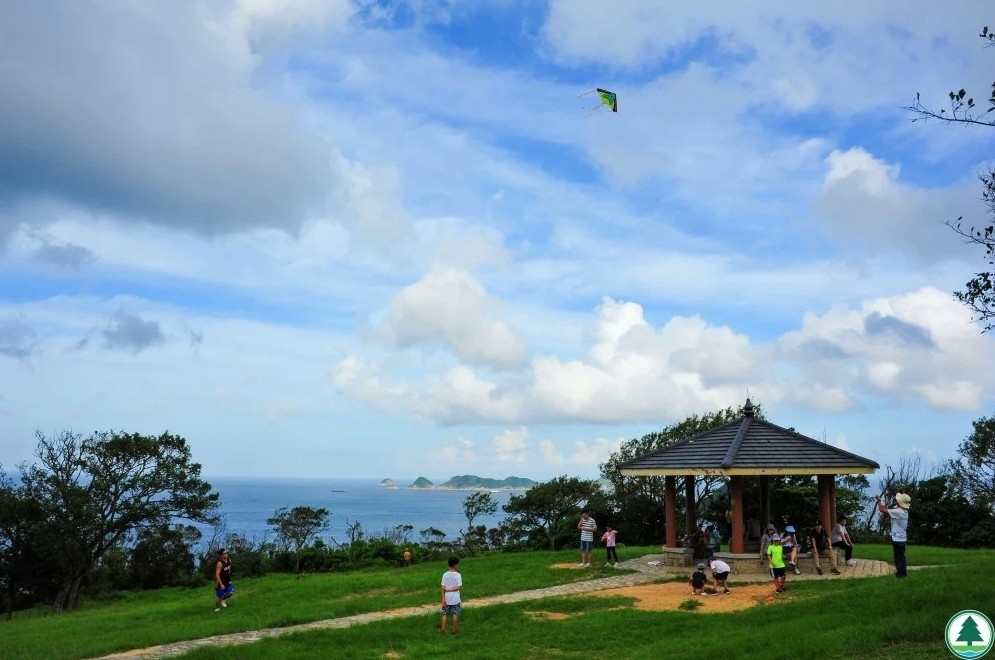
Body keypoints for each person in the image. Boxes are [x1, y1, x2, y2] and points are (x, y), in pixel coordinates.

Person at [877, 492, 911, 579]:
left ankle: (902, 575)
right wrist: (885, 509)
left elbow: (882, 510)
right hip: (900, 539)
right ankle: (900, 574)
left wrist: (879, 500)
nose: (896, 501)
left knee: (900, 559)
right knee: (899, 558)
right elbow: (887, 511)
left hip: (898, 540)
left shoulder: (899, 512)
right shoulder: (903, 511)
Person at [439, 556, 462, 634]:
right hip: (455, 598)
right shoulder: (458, 575)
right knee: (455, 613)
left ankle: (443, 629)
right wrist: (451, 589)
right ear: (455, 565)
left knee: (444, 613)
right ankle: (454, 630)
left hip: (446, 597)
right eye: (458, 564)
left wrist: (443, 598)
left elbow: (442, 587)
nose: (458, 566)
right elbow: (459, 587)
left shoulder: (445, 574)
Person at [214, 548, 233, 612]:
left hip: (228, 581)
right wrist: (220, 584)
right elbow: (217, 574)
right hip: (220, 582)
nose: (227, 554)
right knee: (220, 596)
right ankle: (217, 608)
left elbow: (228, 570)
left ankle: (223, 600)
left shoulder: (229, 560)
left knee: (230, 593)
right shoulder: (219, 563)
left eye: (227, 552)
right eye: (225, 553)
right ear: (221, 555)